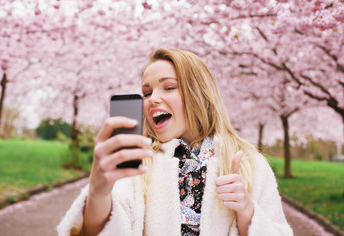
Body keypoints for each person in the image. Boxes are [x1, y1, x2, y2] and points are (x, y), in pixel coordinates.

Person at [57, 48, 293, 236]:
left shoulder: (248, 164)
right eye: (147, 93)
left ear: (199, 94)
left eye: (168, 87)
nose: (152, 99)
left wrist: (246, 211)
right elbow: (104, 230)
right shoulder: (140, 162)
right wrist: (98, 192)